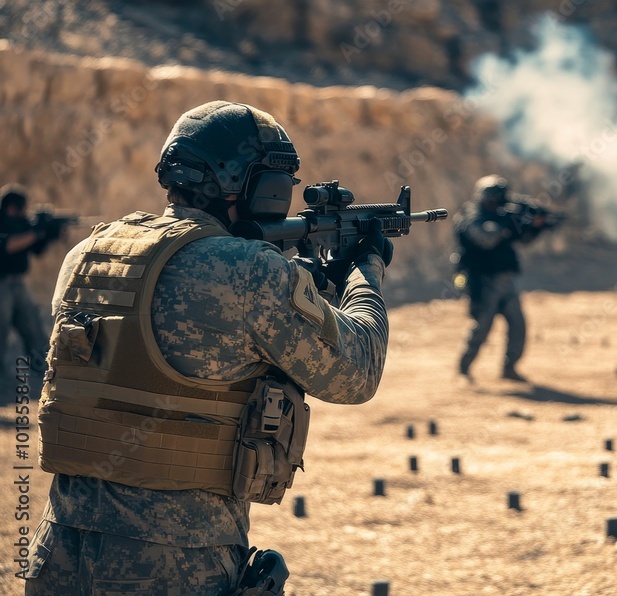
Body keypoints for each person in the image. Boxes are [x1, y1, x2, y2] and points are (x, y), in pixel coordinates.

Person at [23, 101, 392, 595]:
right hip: (175, 565)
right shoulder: (249, 273)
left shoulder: (87, 255)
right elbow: (358, 371)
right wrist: (367, 270)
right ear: (254, 186)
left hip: (58, 552)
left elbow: (183, 331)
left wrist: (303, 282)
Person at [453, 175, 548, 382]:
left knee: (518, 326)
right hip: (482, 281)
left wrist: (536, 225)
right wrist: (507, 221)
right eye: (493, 198)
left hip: (507, 280)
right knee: (482, 327)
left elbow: (523, 238)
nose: (495, 203)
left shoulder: (503, 216)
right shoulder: (471, 215)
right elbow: (486, 239)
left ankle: (509, 368)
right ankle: (464, 368)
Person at [0, 185, 65, 373]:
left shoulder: (21, 226)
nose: (24, 213)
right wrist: (36, 233)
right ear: (12, 208)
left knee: (32, 324)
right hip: (2, 284)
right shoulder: (3, 224)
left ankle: (42, 367)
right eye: (21, 209)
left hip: (17, 283)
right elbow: (8, 246)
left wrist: (47, 234)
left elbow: (35, 250)